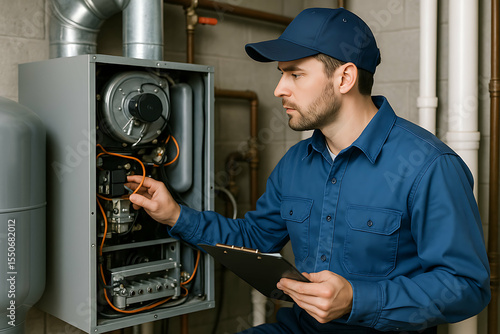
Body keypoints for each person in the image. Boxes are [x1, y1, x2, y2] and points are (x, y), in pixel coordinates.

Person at [126, 7, 490, 334]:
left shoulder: (428, 166)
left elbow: (467, 287)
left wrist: (357, 299)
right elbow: (254, 241)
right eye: (282, 74)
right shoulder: (296, 163)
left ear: (344, 78)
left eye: (295, 75)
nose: (279, 88)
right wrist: (175, 214)